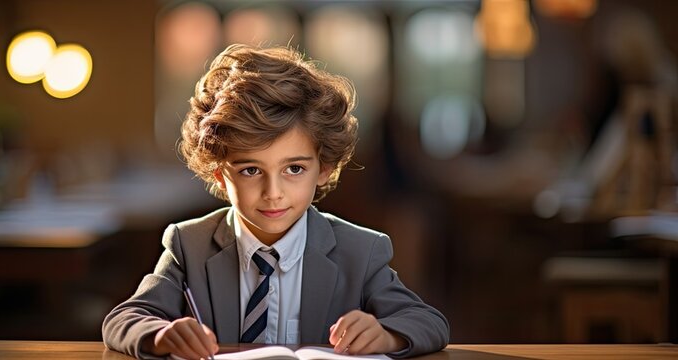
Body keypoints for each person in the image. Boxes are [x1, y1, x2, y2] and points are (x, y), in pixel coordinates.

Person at [102, 44, 449, 359]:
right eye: (251, 170)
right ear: (221, 175)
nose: (273, 192)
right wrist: (160, 335)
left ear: (324, 168)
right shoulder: (188, 245)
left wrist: (385, 335)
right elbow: (123, 319)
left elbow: (428, 322)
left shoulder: (361, 250)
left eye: (294, 168)